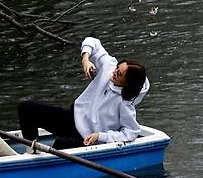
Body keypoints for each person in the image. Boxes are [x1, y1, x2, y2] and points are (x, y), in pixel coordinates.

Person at [18, 37, 150, 150]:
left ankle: (45, 170)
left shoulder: (125, 103)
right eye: (117, 68)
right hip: (71, 118)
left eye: (119, 74)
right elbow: (92, 42)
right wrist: (86, 59)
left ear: (127, 83)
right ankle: (30, 152)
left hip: (87, 138)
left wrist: (101, 136)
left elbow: (131, 132)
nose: (114, 72)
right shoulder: (108, 66)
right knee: (27, 108)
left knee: (61, 144)